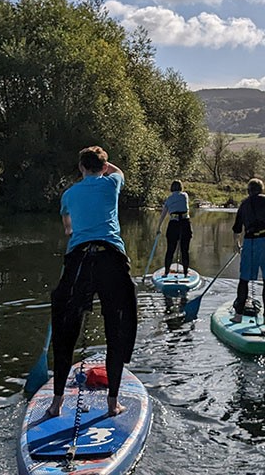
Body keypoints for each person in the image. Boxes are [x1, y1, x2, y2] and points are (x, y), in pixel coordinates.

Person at [47, 146, 137, 418]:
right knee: (117, 327)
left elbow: (67, 227)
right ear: (104, 167)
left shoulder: (69, 194)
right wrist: (106, 166)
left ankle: (56, 404)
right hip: (111, 259)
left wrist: (73, 229)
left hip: (80, 260)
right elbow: (117, 171)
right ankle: (113, 404)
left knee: (65, 328)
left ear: (81, 168)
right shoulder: (112, 182)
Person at [231, 177, 265, 324]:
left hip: (249, 242)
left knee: (244, 280)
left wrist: (236, 243)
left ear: (248, 191)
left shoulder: (244, 204)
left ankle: (238, 316)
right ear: (261, 190)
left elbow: (237, 228)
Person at [157, 180, 193, 277]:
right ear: (181, 188)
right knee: (185, 250)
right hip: (185, 223)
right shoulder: (185, 196)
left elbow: (163, 214)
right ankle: (185, 273)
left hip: (174, 224)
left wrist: (159, 227)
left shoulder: (169, 199)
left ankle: (166, 272)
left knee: (170, 249)